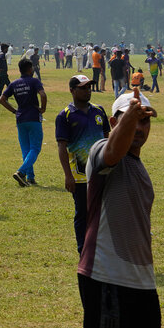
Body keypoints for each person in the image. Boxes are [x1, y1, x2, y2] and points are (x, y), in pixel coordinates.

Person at [77, 90, 159, 328]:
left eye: (144, 120)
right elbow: (113, 151)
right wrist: (129, 122)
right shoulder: (101, 149)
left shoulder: (139, 167)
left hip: (142, 281)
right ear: (113, 122)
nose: (139, 127)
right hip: (107, 278)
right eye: (130, 119)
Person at [54, 75, 110, 253]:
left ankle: (103, 249)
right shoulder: (65, 116)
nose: (88, 91)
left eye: (89, 88)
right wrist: (68, 175)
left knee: (104, 213)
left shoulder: (99, 111)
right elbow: (62, 147)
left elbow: (108, 140)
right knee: (83, 214)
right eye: (83, 88)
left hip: (102, 172)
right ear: (72, 90)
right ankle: (83, 250)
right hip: (79, 177)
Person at [0, 59, 47, 187]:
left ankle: (30, 177)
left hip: (20, 119)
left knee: (26, 149)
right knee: (35, 148)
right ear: (30, 69)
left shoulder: (14, 83)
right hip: (33, 118)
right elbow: (43, 95)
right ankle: (21, 172)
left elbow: (2, 99)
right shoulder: (34, 81)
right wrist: (43, 109)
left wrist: (14, 111)